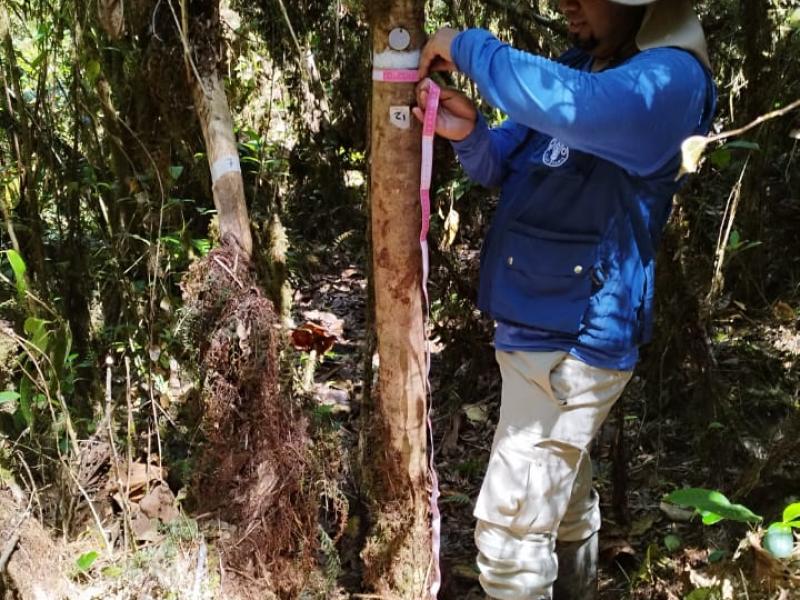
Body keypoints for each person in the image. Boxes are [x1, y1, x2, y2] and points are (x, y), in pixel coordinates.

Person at [414, 1, 717, 598]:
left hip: (572, 340)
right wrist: (472, 135)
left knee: (508, 549)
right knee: (563, 501)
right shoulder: (583, 61)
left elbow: (572, 105)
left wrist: (471, 46)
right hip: (541, 328)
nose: (564, 6)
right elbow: (506, 161)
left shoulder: (671, 79)